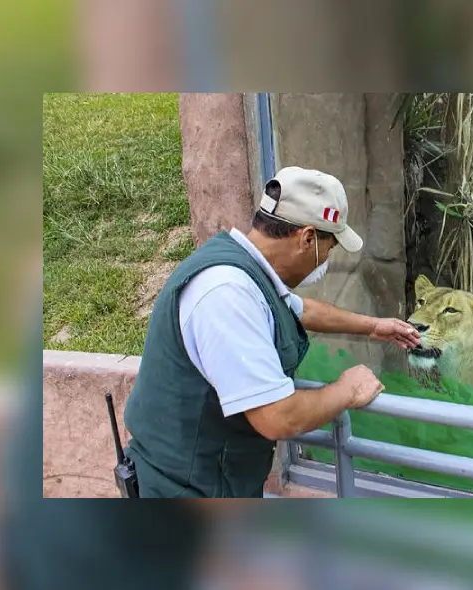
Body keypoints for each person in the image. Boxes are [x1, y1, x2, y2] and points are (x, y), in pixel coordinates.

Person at [122, 166, 421, 498]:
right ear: (307, 238)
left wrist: (374, 326)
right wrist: (347, 391)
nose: (325, 262)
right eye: (330, 249)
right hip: (182, 491)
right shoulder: (227, 294)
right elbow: (277, 417)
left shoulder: (247, 270)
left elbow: (300, 308)